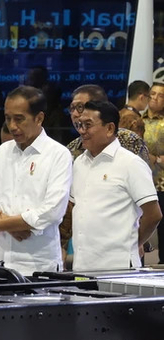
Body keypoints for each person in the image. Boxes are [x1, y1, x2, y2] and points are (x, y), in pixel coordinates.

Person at [70, 100, 162, 340]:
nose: (82, 131)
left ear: (110, 129)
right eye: (79, 125)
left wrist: (134, 241)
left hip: (117, 267)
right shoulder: (78, 163)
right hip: (85, 265)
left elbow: (153, 214)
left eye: (88, 125)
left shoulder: (129, 164)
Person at [0, 85, 72, 275]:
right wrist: (12, 225)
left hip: (36, 263)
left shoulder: (58, 154)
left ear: (39, 118)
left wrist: (1, 224)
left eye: (19, 119)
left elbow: (53, 210)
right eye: (8, 118)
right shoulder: (3, 151)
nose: (12, 126)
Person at [60, 84, 150, 261]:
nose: (77, 114)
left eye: (81, 107)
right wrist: (62, 245)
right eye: (72, 108)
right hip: (86, 254)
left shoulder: (129, 142)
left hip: (123, 251)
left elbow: (147, 203)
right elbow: (72, 208)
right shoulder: (73, 153)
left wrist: (136, 242)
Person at [143, 82, 164, 262]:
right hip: (141, 182)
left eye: (161, 95)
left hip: (162, 182)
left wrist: (156, 159)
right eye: (153, 94)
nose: (155, 98)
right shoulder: (136, 119)